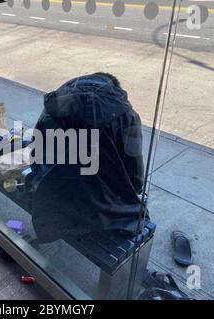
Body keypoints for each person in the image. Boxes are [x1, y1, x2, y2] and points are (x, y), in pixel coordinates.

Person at [27, 72, 147, 243]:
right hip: (107, 214)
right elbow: (134, 171)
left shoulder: (54, 107)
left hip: (52, 204)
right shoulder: (126, 115)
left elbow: (36, 156)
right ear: (114, 89)